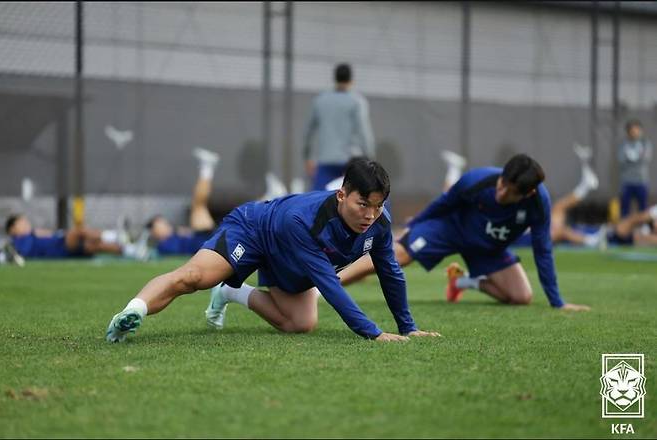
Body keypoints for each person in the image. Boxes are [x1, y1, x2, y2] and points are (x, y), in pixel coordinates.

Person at [105, 159, 439, 343]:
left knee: (300, 323)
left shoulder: (378, 223)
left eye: (377, 207)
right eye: (362, 204)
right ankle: (132, 311)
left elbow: (390, 271)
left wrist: (407, 326)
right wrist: (374, 333)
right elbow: (330, 284)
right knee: (195, 277)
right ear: (341, 196)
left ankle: (231, 294)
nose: (369, 214)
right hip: (255, 231)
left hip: (290, 256)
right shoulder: (305, 222)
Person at [338, 154, 590, 311]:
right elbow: (444, 203)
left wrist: (557, 301)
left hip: (489, 248)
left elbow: (543, 249)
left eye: (510, 192)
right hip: (451, 229)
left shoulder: (538, 204)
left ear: (528, 193)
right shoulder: (478, 180)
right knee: (398, 255)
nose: (501, 193)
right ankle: (324, 286)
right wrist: (417, 225)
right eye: (502, 184)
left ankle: (461, 281)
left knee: (521, 297)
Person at [303, 63, 375, 191]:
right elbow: (364, 133)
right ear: (351, 80)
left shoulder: (320, 101)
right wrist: (370, 159)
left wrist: (308, 158)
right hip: (351, 162)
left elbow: (308, 132)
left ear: (335, 78)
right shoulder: (357, 101)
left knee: (318, 201)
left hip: (326, 160)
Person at [146, 148, 221, 257]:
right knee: (198, 205)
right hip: (203, 242)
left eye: (164, 222)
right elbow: (177, 250)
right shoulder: (163, 246)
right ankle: (207, 169)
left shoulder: (173, 235)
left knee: (199, 205)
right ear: (154, 232)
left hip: (203, 238)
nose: (165, 224)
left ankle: (207, 169)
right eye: (160, 224)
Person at [5, 213, 137, 260]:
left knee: (95, 246)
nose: (26, 223)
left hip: (60, 244)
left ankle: (131, 250)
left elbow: (49, 236)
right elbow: (23, 253)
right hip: (58, 249)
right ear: (13, 228)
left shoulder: (31, 234)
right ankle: (116, 236)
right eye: (21, 222)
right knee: (77, 232)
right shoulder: (19, 240)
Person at [618, 119, 653, 218]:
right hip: (626, 181)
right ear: (628, 131)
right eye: (632, 130)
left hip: (641, 180)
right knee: (625, 208)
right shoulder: (623, 144)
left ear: (640, 130)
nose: (634, 132)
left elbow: (646, 158)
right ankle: (624, 229)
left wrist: (631, 158)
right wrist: (636, 158)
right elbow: (621, 160)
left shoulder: (645, 143)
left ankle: (644, 228)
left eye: (636, 130)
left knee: (643, 207)